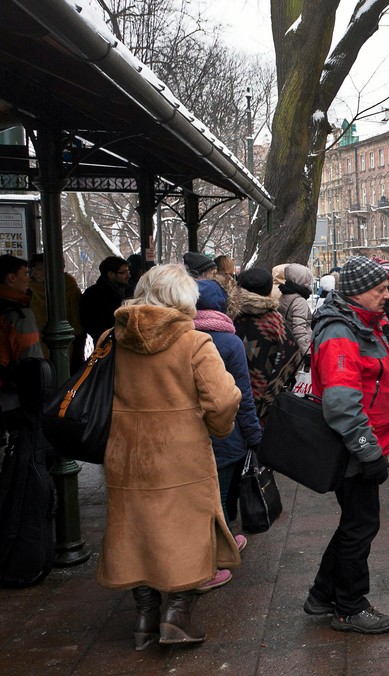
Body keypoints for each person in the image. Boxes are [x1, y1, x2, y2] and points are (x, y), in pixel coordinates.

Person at [95, 264, 242, 649]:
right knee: (187, 533)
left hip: (126, 453)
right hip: (181, 456)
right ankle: (177, 615)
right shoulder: (194, 341)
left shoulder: (113, 337)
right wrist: (219, 430)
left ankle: (144, 619)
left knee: (134, 530)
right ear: (183, 299)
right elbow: (224, 400)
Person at [305, 255, 389, 634]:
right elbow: (342, 404)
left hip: (364, 445)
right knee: (361, 527)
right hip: (357, 450)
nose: (385, 296)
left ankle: (322, 594)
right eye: (379, 290)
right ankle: (349, 607)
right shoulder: (341, 333)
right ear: (358, 292)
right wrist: (369, 453)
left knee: (355, 523)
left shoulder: (361, 322)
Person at [193, 280, 259, 579]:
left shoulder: (181, 337)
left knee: (199, 496)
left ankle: (222, 545)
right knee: (220, 497)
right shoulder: (229, 342)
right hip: (225, 432)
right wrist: (254, 435)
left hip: (190, 433)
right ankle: (214, 559)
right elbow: (242, 396)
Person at [232, 267, 303, 421]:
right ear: (269, 290)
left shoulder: (229, 316)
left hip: (230, 394)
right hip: (264, 396)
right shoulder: (274, 321)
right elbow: (293, 357)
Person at [0, 255, 43, 429]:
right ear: (11, 278)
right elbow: (31, 361)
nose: (29, 278)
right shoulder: (18, 314)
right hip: (12, 395)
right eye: (25, 273)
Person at [28, 253, 85, 371]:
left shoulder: (69, 289)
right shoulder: (28, 289)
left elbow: (77, 322)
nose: (34, 273)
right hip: (34, 343)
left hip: (64, 346)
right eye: (32, 269)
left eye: (39, 269)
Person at [81, 256, 131, 342]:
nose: (129, 275)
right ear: (111, 274)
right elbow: (88, 322)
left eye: (128, 271)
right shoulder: (93, 294)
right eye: (124, 272)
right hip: (105, 342)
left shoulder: (130, 290)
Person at [277, 264, 314, 357]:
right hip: (298, 349)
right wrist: (307, 353)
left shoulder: (284, 296)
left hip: (286, 344)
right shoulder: (299, 301)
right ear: (301, 280)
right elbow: (299, 329)